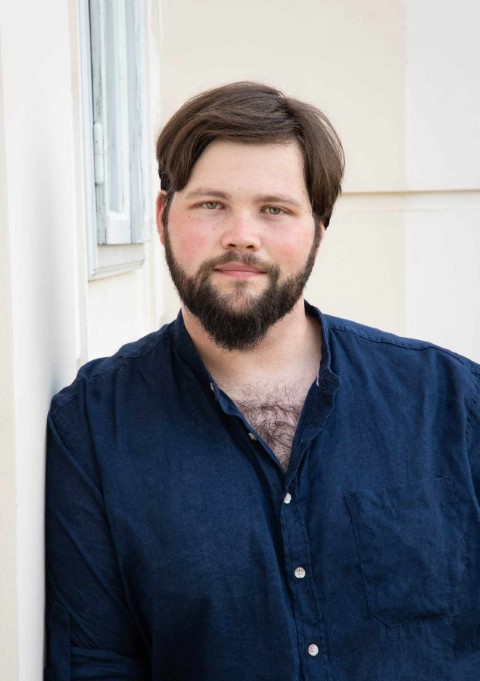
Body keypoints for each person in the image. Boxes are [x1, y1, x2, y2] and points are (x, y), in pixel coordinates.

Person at [45, 82, 480, 681]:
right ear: (163, 217)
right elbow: (97, 663)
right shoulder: (94, 426)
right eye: (211, 204)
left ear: (319, 228)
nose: (241, 235)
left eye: (274, 209)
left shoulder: (452, 401)